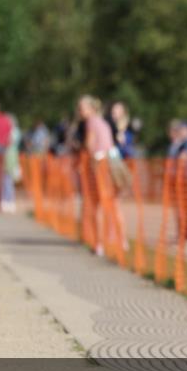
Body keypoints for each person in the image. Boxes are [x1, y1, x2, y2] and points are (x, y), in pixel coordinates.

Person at [78, 96, 129, 256]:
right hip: (112, 163)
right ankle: (122, 240)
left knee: (96, 205)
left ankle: (99, 243)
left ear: (91, 109)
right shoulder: (103, 122)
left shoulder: (91, 122)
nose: (79, 111)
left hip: (99, 166)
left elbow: (90, 145)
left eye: (82, 108)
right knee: (114, 204)